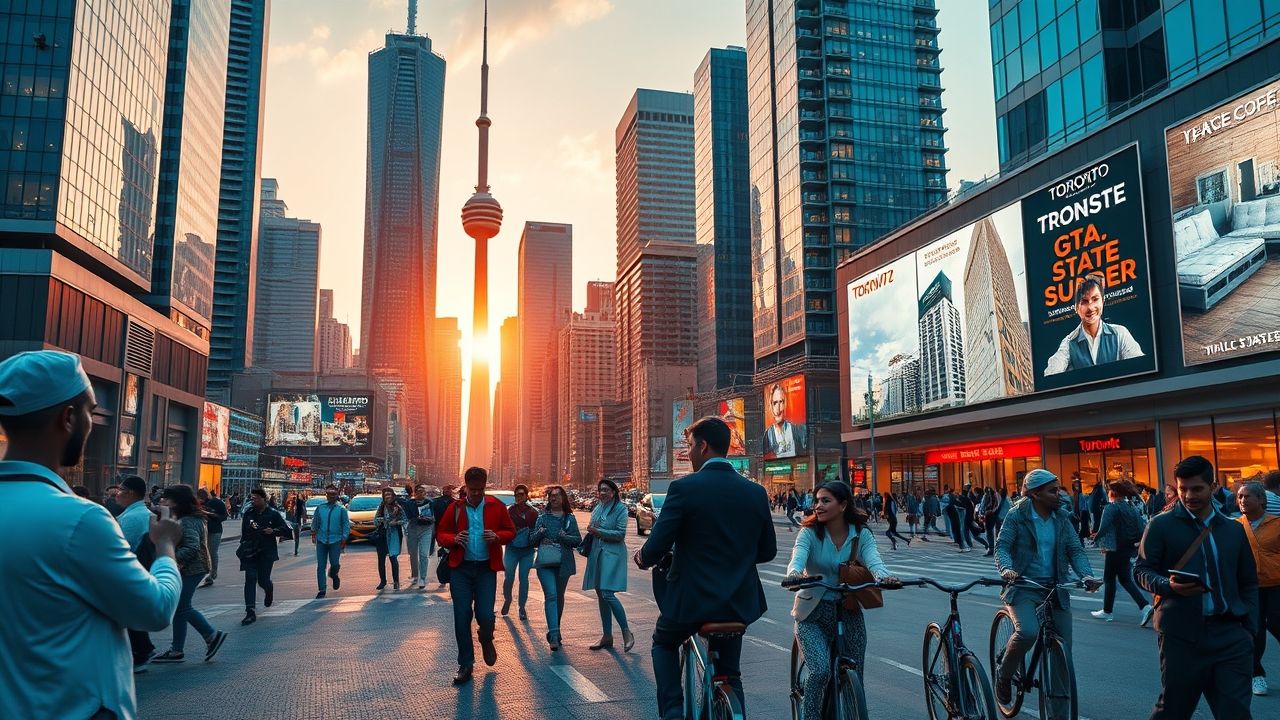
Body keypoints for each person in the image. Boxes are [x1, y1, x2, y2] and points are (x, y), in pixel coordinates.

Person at [0, 350, 186, 719]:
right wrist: (165, 546)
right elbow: (154, 609)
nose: (91, 422)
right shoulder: (79, 520)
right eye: (90, 410)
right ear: (68, 417)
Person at [635, 416, 778, 720]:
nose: (687, 453)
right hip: (738, 603)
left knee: (663, 643)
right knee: (730, 674)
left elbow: (657, 545)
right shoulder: (755, 492)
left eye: (688, 446)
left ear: (702, 446)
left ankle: (673, 712)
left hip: (691, 603)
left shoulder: (684, 489)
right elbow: (768, 551)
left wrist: (641, 558)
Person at [1135, 456, 1259, 719]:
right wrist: (1166, 585)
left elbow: (1248, 581)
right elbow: (1141, 571)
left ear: (1213, 487)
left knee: (1235, 713)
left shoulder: (1233, 529)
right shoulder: (1160, 525)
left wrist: (1249, 628)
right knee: (1174, 710)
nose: (1188, 495)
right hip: (1181, 635)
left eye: (1196, 488)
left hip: (1230, 634)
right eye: (1183, 489)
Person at [785, 481, 898, 720]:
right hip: (811, 614)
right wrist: (794, 574)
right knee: (820, 671)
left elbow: (874, 561)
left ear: (843, 504)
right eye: (817, 501)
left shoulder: (861, 534)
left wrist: (884, 576)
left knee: (855, 673)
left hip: (848, 610)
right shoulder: (809, 533)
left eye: (825, 500)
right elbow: (798, 558)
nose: (818, 506)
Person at [994, 469, 1101, 716]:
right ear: (1035, 494)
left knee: (1063, 656)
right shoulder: (1017, 515)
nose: (1059, 494)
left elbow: (1076, 550)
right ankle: (1004, 674)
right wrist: (1007, 569)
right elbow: (1002, 546)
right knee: (1028, 631)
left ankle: (1059, 714)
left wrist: (1086, 575)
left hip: (1055, 588)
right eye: (1053, 490)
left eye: (1059, 489)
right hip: (1023, 585)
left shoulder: (1062, 517)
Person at [434, 467, 516, 685]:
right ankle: (465, 663)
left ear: (485, 487)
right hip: (460, 569)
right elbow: (440, 534)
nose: (477, 493)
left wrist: (497, 536)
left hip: (486, 569)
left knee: (486, 615)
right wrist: (453, 539)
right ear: (466, 487)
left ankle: (486, 638)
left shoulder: (496, 506)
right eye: (473, 490)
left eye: (481, 489)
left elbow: (511, 532)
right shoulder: (456, 508)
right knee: (461, 616)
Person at [151, 485, 227, 663]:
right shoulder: (186, 517)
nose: (162, 501)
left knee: (182, 607)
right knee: (180, 607)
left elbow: (192, 547)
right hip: (191, 567)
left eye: (166, 498)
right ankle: (177, 649)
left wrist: (170, 557)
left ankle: (211, 635)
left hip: (193, 568)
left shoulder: (188, 520)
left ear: (177, 501)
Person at [1042, 273, 1144, 376]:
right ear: (1077, 308)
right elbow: (1051, 374)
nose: (1090, 307)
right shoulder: (1069, 343)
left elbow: (1140, 366)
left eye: (1095, 299)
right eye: (1084, 301)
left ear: (1103, 302)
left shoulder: (1120, 333)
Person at [1236, 481, 1280, 697]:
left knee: (1277, 623)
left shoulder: (1277, 524)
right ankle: (1257, 675)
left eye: (1247, 496)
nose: (1242, 500)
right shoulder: (1235, 526)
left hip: (1276, 584)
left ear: (1261, 500)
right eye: (1240, 497)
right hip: (1249, 587)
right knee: (1254, 630)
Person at [1090, 481, 1153, 625]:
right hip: (1128, 547)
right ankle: (1145, 606)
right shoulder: (1131, 506)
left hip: (1115, 547)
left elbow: (1104, 527)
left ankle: (1107, 611)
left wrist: (1096, 537)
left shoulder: (1112, 508)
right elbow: (1141, 526)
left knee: (1109, 578)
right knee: (1125, 579)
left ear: (1113, 493)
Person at [583, 477, 634, 651]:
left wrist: (599, 531)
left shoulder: (620, 509)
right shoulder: (597, 508)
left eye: (606, 490)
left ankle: (626, 632)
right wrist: (593, 530)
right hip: (597, 553)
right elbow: (592, 526)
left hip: (612, 554)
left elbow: (620, 534)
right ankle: (607, 635)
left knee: (607, 592)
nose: (603, 493)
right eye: (601, 490)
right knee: (600, 593)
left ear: (613, 493)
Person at [531, 485, 581, 651]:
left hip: (563, 562)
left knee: (559, 597)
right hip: (545, 563)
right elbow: (532, 539)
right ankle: (553, 635)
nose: (553, 498)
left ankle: (555, 629)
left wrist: (564, 537)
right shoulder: (542, 517)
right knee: (551, 595)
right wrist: (540, 533)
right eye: (551, 496)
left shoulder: (569, 519)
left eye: (557, 495)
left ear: (563, 499)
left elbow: (577, 540)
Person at [239, 487, 290, 625]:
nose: (253, 501)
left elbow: (286, 530)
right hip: (250, 551)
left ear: (264, 499)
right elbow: (244, 532)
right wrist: (243, 545)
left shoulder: (273, 514)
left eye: (256, 498)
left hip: (267, 551)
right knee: (250, 578)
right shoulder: (249, 513)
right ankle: (250, 611)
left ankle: (268, 588)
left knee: (262, 580)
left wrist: (273, 531)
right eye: (252, 498)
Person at [502, 484, 539, 619]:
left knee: (524, 578)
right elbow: (503, 527)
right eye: (517, 494)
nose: (519, 497)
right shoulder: (509, 511)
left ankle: (522, 607)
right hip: (512, 548)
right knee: (509, 577)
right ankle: (507, 598)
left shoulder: (533, 512)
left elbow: (537, 531)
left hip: (528, 550)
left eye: (521, 494)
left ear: (527, 495)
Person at [311, 484, 349, 598]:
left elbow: (345, 525)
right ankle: (322, 589)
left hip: (336, 540)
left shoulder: (341, 509)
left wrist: (344, 538)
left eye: (333, 494)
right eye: (329, 494)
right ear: (326, 495)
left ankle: (334, 575)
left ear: (337, 495)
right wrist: (313, 533)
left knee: (335, 564)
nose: (331, 497)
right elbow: (315, 522)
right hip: (321, 540)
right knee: (321, 565)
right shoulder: (320, 508)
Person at [373, 486, 408, 590]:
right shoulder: (381, 507)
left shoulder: (398, 508)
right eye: (386, 495)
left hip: (393, 535)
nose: (388, 497)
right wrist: (383, 520)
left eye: (389, 495)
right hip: (382, 536)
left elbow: (405, 520)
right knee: (381, 559)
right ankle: (383, 581)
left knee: (393, 558)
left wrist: (396, 522)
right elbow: (375, 521)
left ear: (393, 496)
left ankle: (396, 581)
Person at [762, 383, 806, 459]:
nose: (778, 409)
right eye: (775, 403)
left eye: (781, 402)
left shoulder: (798, 430)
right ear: (771, 406)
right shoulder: (768, 435)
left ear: (785, 404)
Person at [406, 483, 435, 590]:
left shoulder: (430, 502)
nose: (421, 493)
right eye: (418, 491)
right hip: (413, 528)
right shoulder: (410, 503)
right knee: (413, 553)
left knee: (423, 554)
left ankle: (422, 577)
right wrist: (417, 517)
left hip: (426, 529)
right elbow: (408, 516)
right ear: (415, 493)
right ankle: (415, 575)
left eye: (423, 491)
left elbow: (432, 516)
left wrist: (430, 519)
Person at [197, 488, 228, 587]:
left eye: (201, 499)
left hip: (214, 531)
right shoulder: (198, 504)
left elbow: (223, 516)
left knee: (212, 552)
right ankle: (204, 573)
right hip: (202, 530)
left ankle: (213, 573)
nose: (200, 501)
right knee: (202, 552)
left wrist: (209, 514)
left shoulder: (217, 503)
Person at [429, 484, 457, 588]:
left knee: (448, 551)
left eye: (449, 489)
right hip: (439, 529)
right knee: (444, 551)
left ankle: (446, 573)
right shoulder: (436, 502)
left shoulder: (455, 502)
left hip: (452, 531)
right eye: (445, 489)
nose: (447, 491)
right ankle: (444, 573)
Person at [289, 490, 306, 556]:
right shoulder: (300, 503)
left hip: (293, 521)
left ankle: (296, 550)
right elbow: (303, 512)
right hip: (296, 521)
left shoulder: (290, 502)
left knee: (295, 537)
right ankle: (296, 550)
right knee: (296, 537)